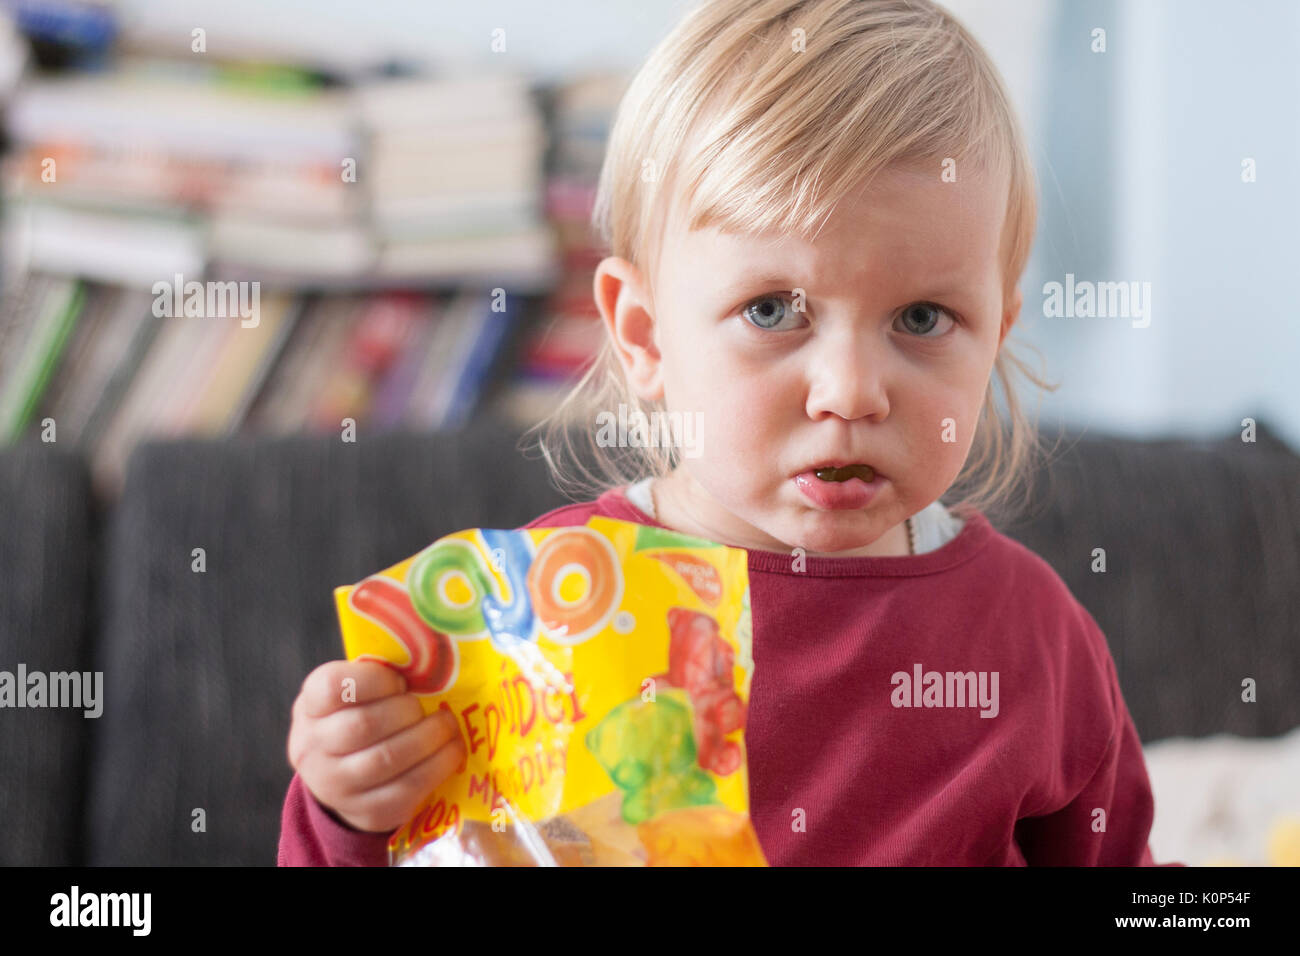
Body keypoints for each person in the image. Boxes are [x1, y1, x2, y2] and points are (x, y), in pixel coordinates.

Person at [279, 0, 1179, 866]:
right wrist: (350, 809)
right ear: (643, 335)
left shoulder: (1034, 636)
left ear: (996, 338)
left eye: (923, 318)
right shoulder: (539, 615)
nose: (852, 392)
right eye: (774, 308)